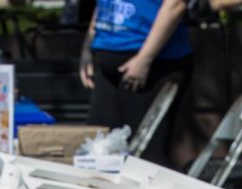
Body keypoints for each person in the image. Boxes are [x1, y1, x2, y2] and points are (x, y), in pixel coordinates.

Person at [80, 0, 193, 166]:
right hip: (107, 59)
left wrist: (145, 58)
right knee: (97, 150)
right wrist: (87, 48)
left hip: (153, 65)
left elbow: (175, 4)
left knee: (147, 157)